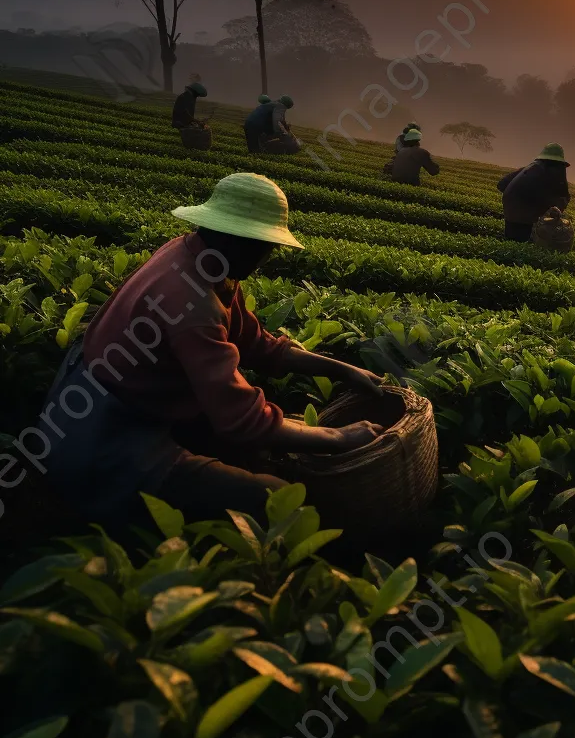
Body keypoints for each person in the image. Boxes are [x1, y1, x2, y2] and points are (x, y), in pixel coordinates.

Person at [40, 173, 386, 531]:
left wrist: (341, 369)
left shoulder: (196, 256)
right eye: (266, 247)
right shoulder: (193, 303)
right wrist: (339, 437)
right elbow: (241, 419)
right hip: (104, 442)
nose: (268, 257)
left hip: (119, 407)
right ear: (241, 243)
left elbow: (255, 342)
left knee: (265, 448)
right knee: (278, 498)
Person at [497, 143, 571, 242]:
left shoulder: (529, 168)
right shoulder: (556, 170)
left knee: (511, 241)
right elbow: (562, 196)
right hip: (526, 216)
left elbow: (501, 184)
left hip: (510, 211)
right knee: (525, 244)